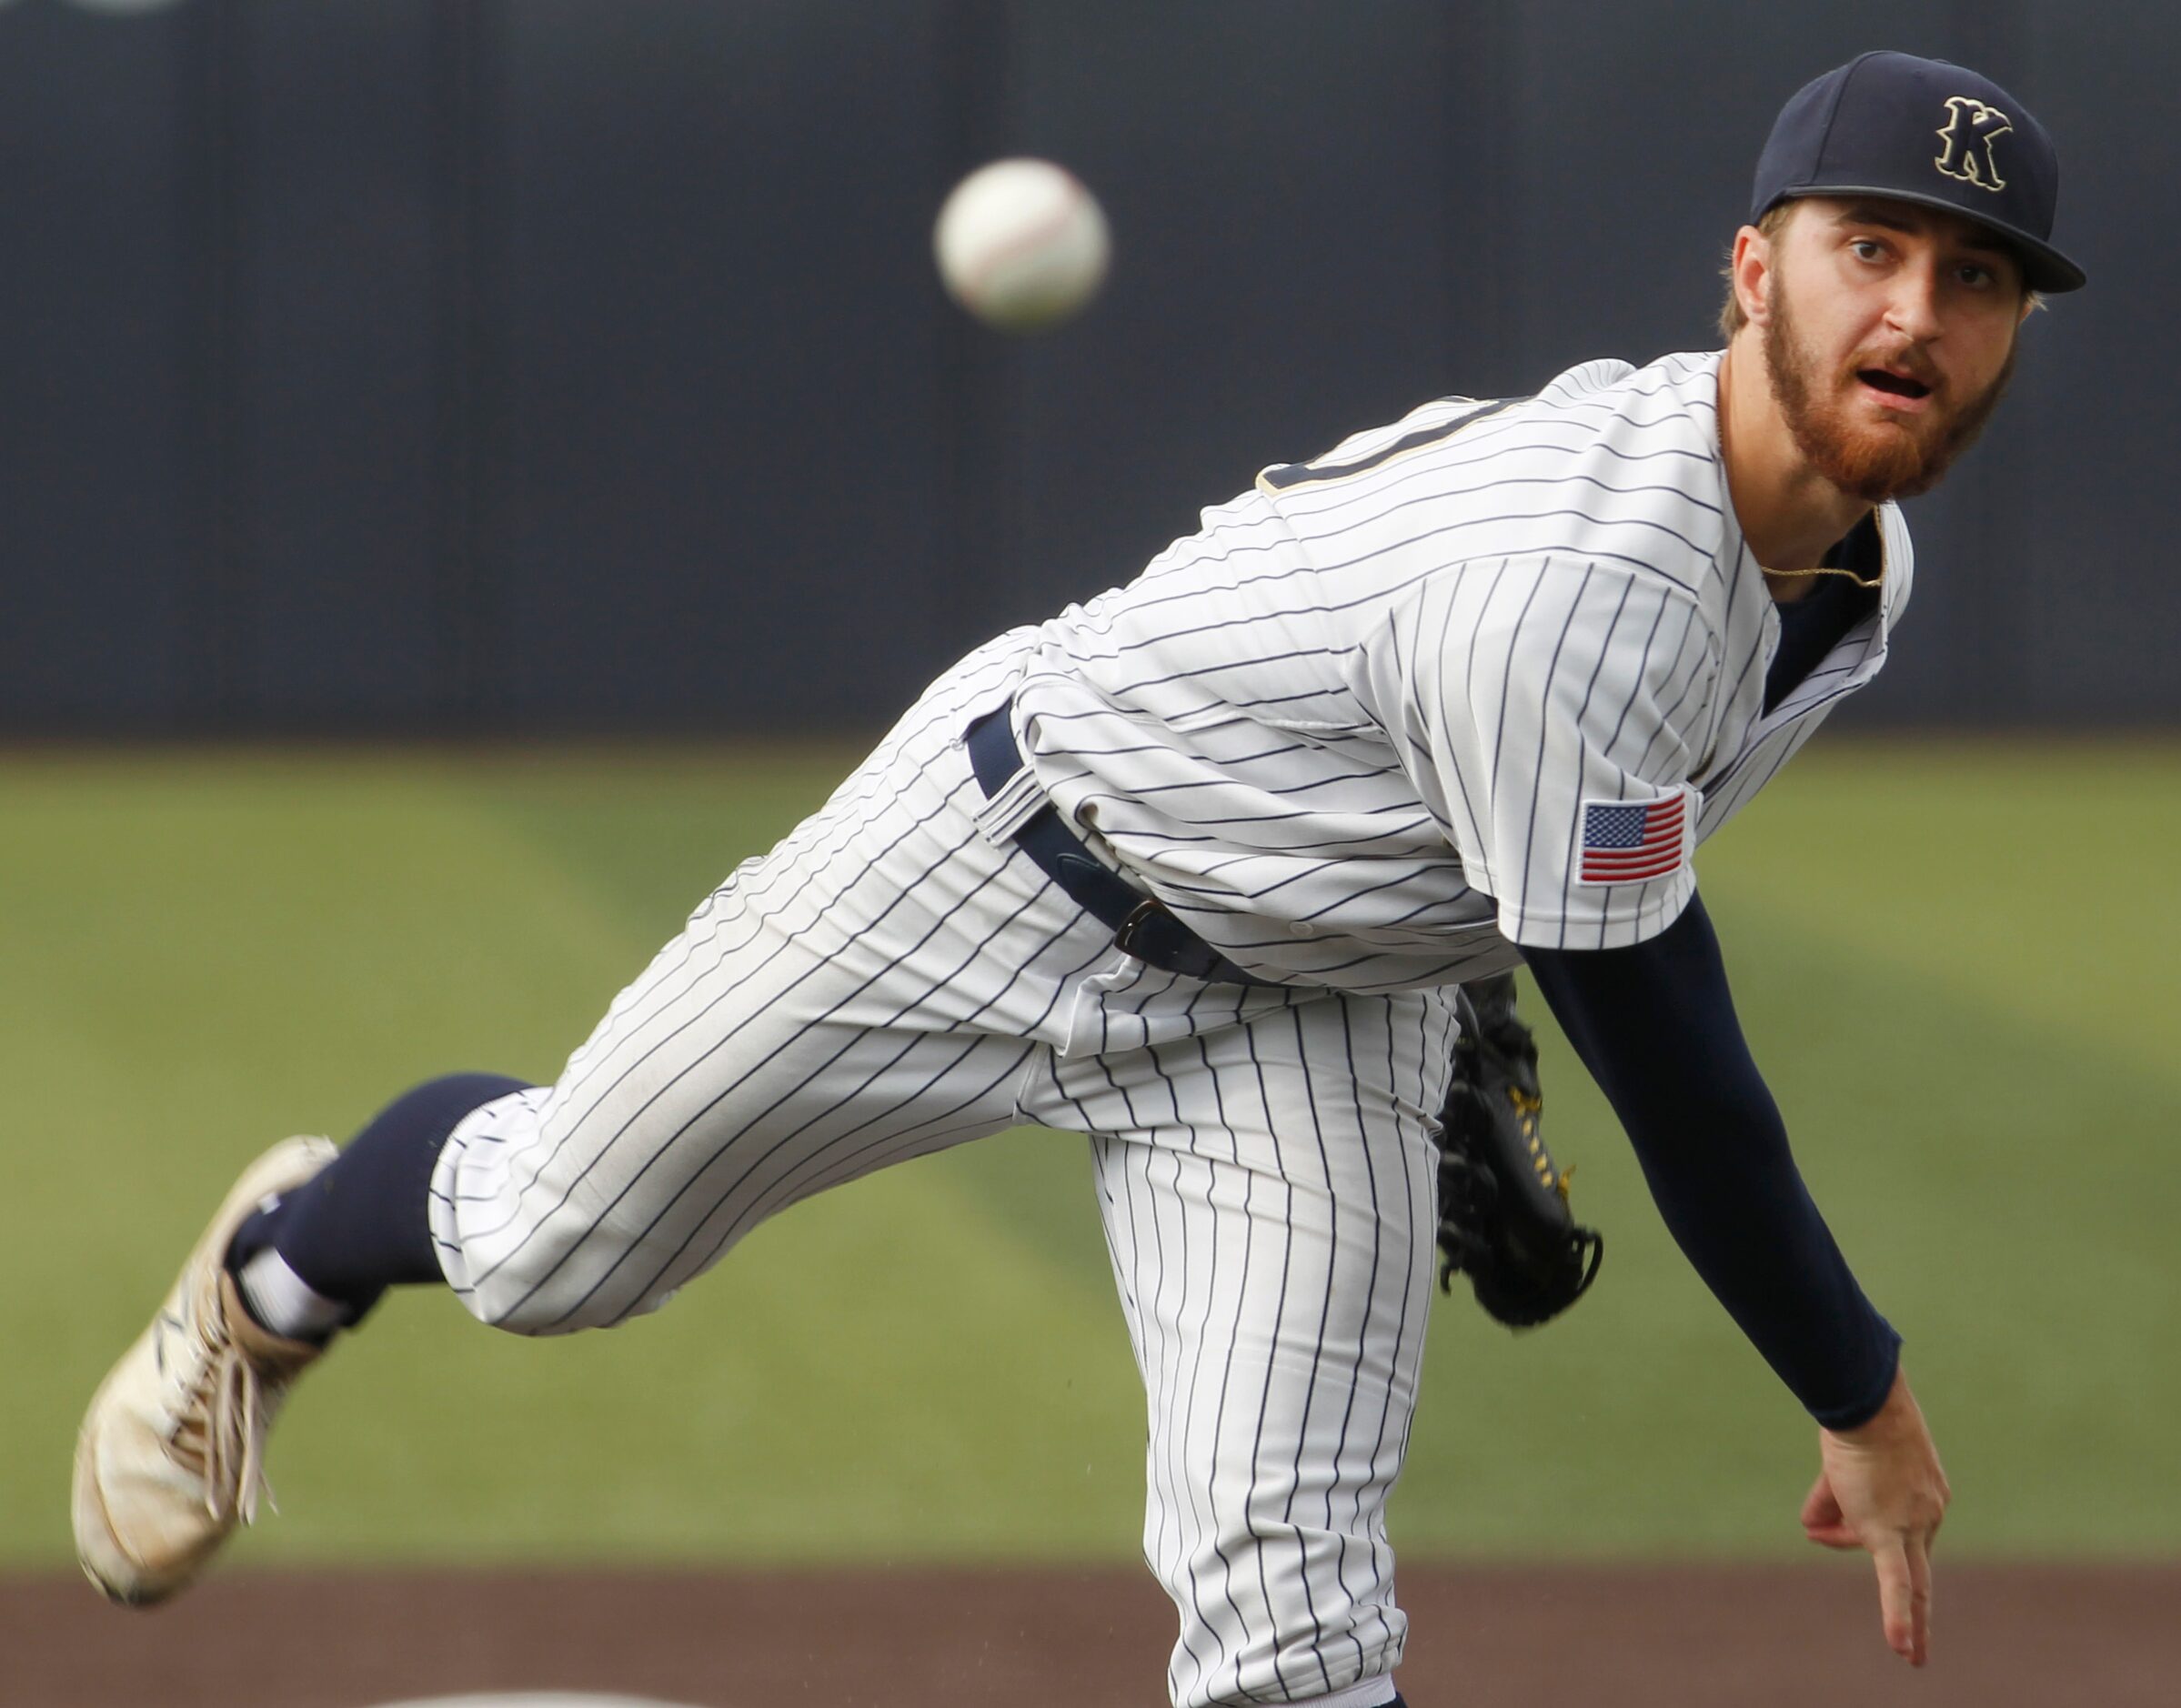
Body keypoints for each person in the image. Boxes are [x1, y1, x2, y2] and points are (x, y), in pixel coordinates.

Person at [73, 51, 2082, 1708]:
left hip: (1300, 1016)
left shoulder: (1851, 567)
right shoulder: (1580, 578)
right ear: (1750, 270)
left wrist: (1451, 963)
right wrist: (1859, 1392)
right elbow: (1670, 1060)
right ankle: (283, 1261)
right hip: (1013, 851)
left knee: (1294, 1638)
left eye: (1973, 278)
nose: (1911, 311)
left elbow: (1564, 826)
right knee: (543, 1252)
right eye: (1866, 248)